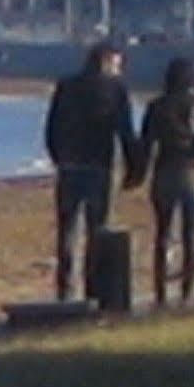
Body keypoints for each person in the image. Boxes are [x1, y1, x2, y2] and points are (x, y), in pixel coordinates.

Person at [43, 42, 140, 301]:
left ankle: (65, 289)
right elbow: (125, 131)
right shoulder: (116, 89)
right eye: (118, 64)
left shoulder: (67, 86)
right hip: (100, 166)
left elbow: (52, 126)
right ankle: (93, 290)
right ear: (107, 61)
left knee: (67, 232)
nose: (120, 70)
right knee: (98, 232)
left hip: (70, 167)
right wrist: (134, 169)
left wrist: (58, 157)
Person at [137, 57, 194, 305]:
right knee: (192, 235)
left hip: (166, 168)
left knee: (164, 233)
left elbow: (147, 143)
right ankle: (187, 292)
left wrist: (138, 173)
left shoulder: (156, 106)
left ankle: (161, 292)